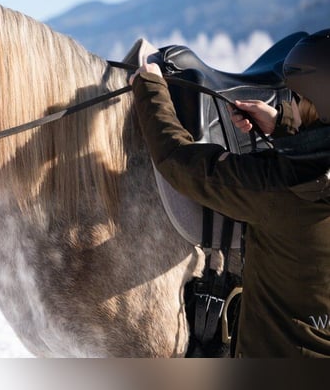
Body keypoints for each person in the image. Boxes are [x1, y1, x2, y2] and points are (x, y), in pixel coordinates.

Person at [129, 28, 330, 358]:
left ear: (317, 105)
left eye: (294, 98)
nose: (287, 103)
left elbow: (180, 163)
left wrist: (150, 90)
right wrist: (282, 127)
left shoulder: (279, 187)